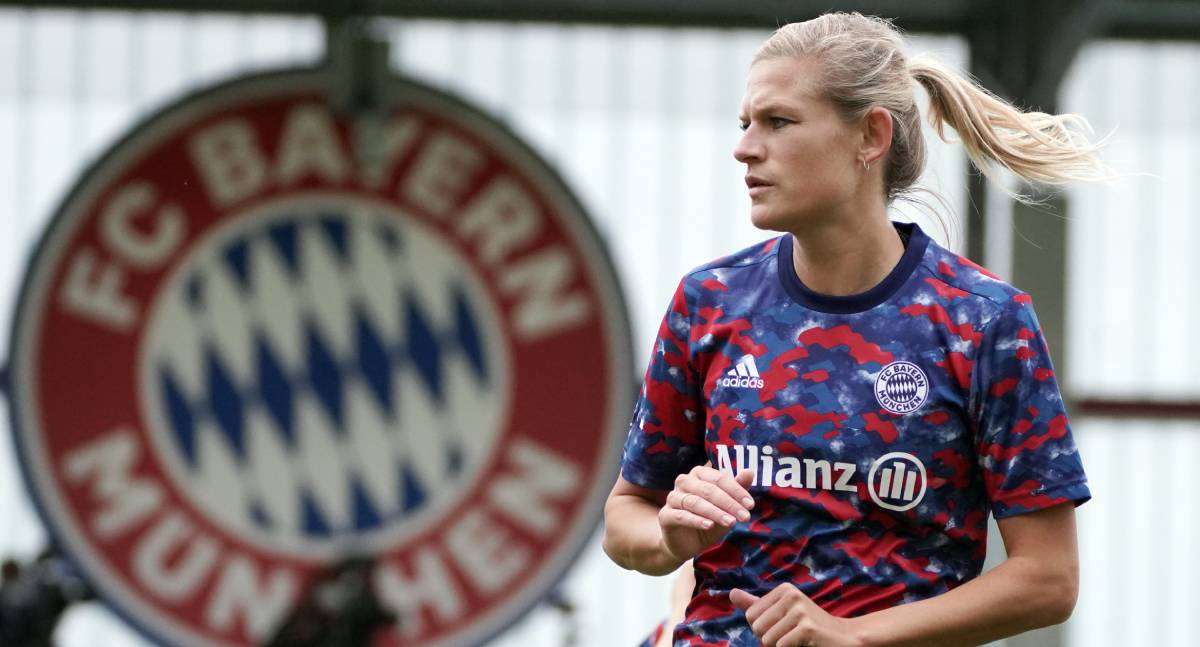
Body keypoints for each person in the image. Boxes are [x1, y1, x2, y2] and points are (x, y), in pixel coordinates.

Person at [603, 11, 1104, 647]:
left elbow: (1047, 580)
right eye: (745, 124)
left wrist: (857, 635)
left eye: (778, 122)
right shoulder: (710, 301)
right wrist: (670, 536)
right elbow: (626, 517)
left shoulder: (983, 322)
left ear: (870, 136)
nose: (745, 147)